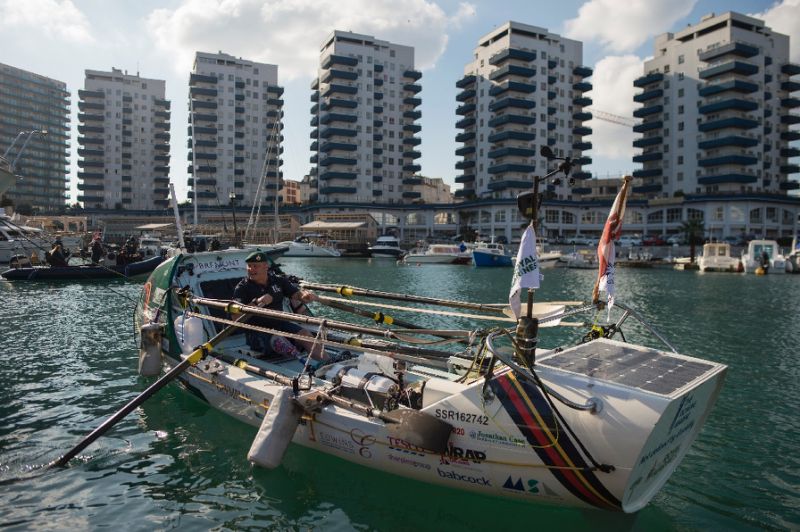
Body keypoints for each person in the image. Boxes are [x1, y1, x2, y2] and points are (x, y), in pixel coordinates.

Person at [232, 250, 323, 361]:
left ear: (266, 266)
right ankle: (305, 366)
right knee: (281, 342)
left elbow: (296, 294)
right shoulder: (242, 288)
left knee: (306, 335)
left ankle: (327, 364)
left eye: (255, 266)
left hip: (280, 324)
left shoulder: (278, 281)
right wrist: (256, 303)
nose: (251, 269)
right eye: (249, 266)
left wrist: (304, 295)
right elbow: (235, 317)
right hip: (257, 331)